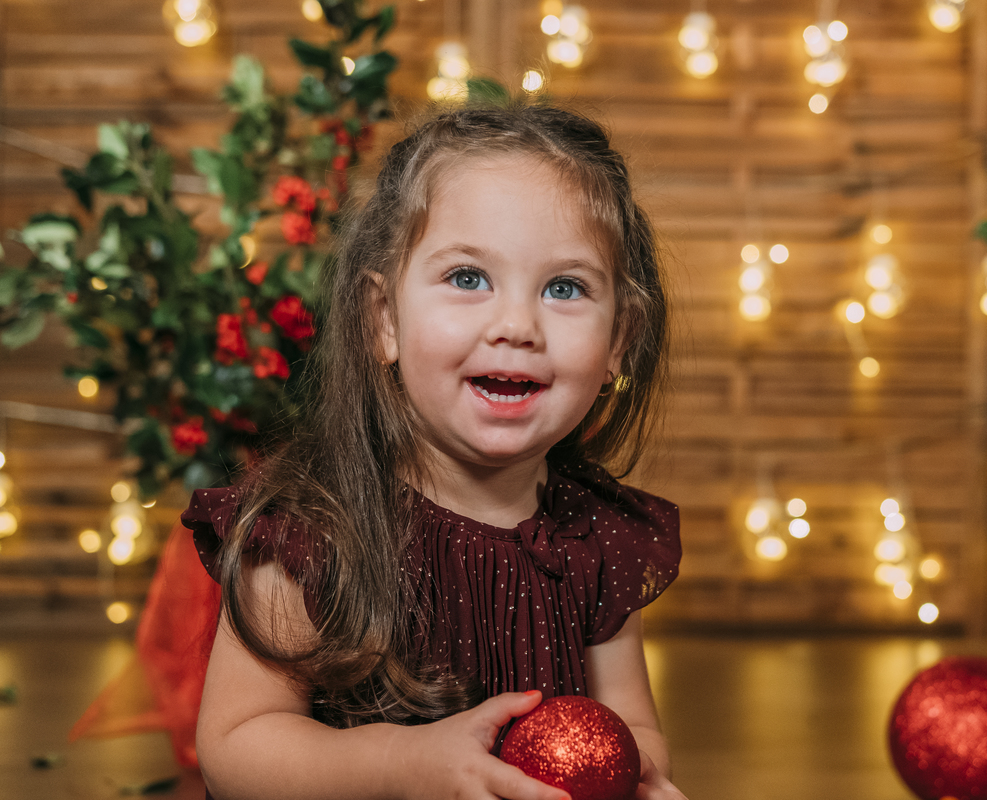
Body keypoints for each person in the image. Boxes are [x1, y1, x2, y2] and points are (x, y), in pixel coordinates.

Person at [181, 103, 686, 800]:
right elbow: (235, 749)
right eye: (468, 278)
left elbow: (632, 725)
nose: (516, 325)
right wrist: (399, 764)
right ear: (382, 319)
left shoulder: (595, 540)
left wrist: (637, 774)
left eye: (564, 288)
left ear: (619, 342)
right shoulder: (310, 528)